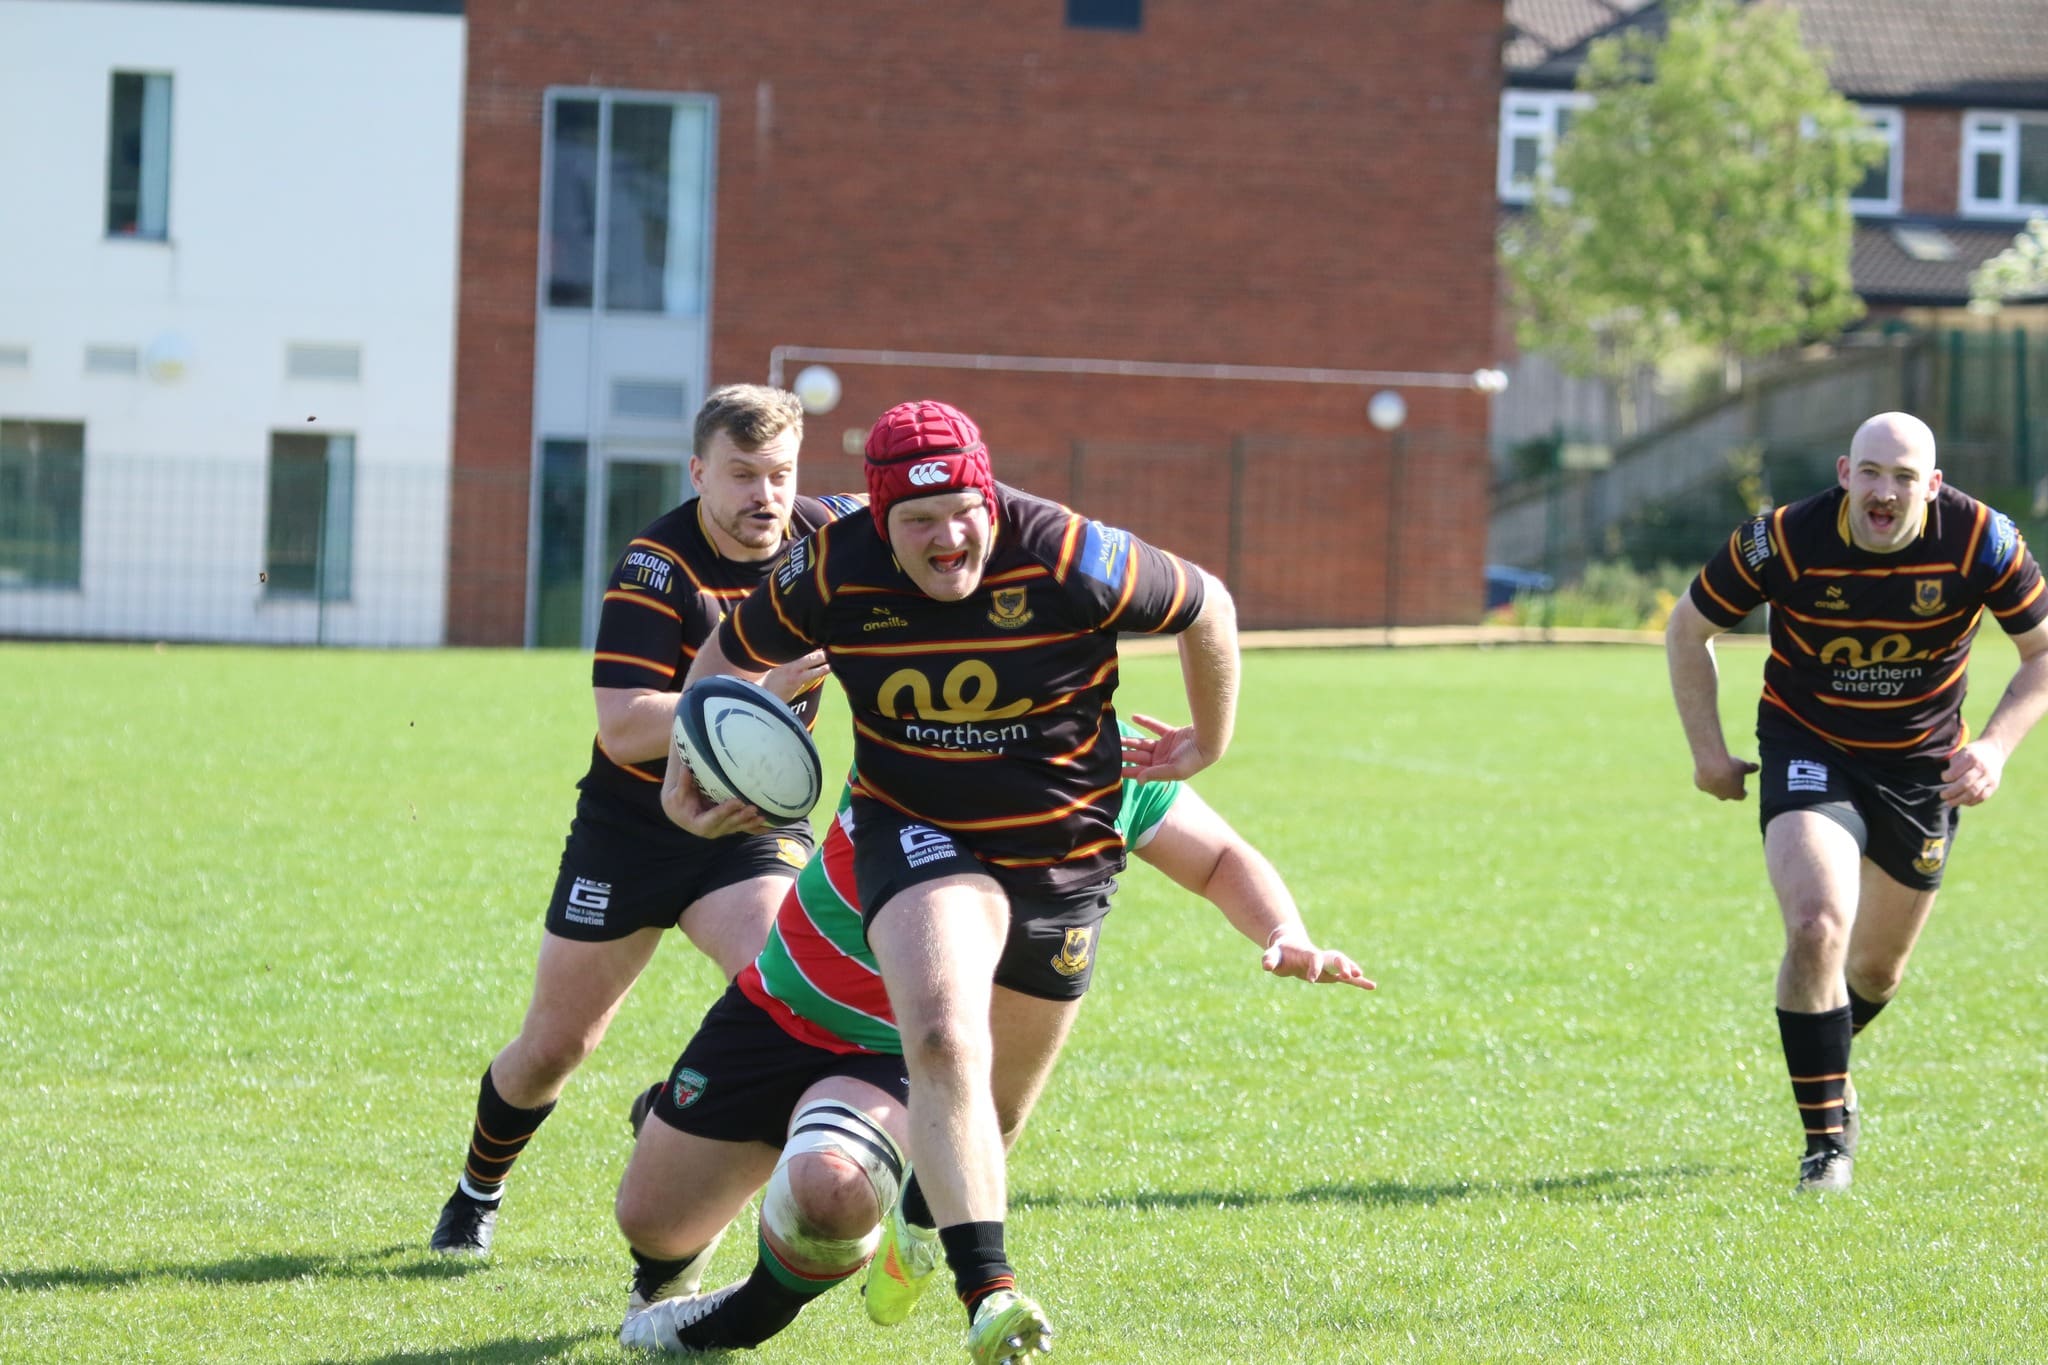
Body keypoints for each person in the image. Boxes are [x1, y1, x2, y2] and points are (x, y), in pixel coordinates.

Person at [660, 398, 1240, 1355]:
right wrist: (693, 754)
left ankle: (922, 1227)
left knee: (993, 1115)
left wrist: (1208, 739)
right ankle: (989, 1292)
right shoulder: (832, 564)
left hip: (1059, 855)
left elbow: (1206, 602)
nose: (947, 537)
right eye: (918, 520)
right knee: (939, 1036)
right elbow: (732, 648)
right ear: (880, 520)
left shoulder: (1066, 551)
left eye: (963, 511)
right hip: (916, 827)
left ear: (990, 498)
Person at [615, 730, 1371, 1356]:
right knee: (648, 1220)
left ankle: (739, 1315)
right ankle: (692, 1189)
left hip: (899, 1052)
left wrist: (1284, 931)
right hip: (775, 1006)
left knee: (831, 1191)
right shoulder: (904, 710)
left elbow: (1219, 857)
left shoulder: (1107, 760)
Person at [429, 385, 863, 1254]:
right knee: (555, 1047)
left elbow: (933, 506)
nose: (765, 496)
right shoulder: (656, 567)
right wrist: (757, 690)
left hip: (751, 829)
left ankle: (674, 1112)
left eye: (780, 474)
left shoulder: (825, 537)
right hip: (630, 833)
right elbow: (624, 726)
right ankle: (477, 1191)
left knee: (795, 999)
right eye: (742, 475)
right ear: (698, 471)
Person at [1666, 411, 2048, 1193]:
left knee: (1875, 971)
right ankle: (1826, 1144)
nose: (1885, 491)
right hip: (1810, 745)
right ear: (1845, 473)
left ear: (1932, 485)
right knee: (1816, 926)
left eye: (1904, 477)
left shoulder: (1981, 540)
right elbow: (1687, 627)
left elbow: (2042, 650)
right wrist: (1707, 752)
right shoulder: (1782, 539)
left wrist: (1994, 748)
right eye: (1871, 472)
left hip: (1922, 767)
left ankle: (1823, 1051)